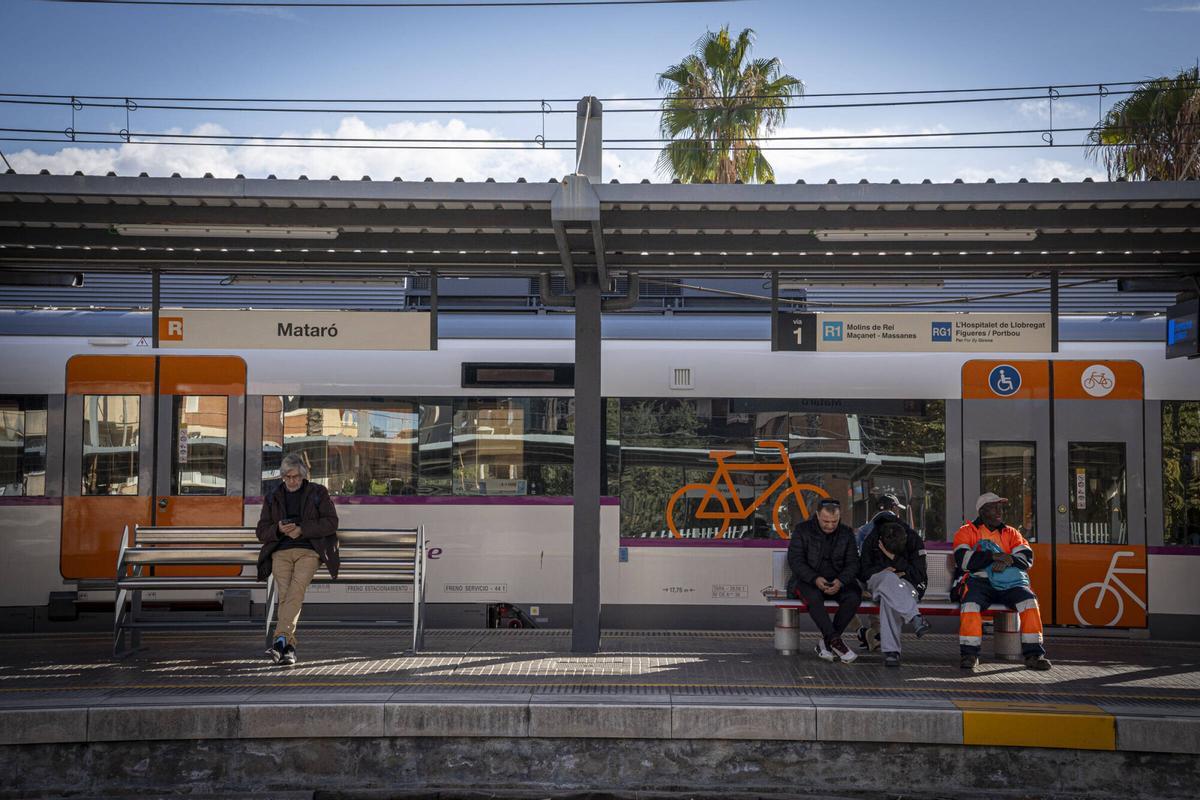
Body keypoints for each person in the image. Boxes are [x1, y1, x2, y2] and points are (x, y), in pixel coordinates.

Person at [255, 453, 339, 666]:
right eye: (287, 477)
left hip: (309, 551)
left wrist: (302, 529)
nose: (292, 481)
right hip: (281, 551)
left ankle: (279, 640)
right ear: (282, 477)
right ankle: (288, 648)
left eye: (296, 477)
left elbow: (331, 522)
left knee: (295, 590)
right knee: (286, 595)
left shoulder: (318, 492)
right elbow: (262, 531)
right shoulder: (273, 496)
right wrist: (279, 529)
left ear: (303, 476)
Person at [953, 492, 1052, 672]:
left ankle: (1034, 655)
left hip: (1011, 584)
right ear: (982, 511)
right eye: (993, 507)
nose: (999, 511)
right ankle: (969, 655)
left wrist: (1006, 559)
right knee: (970, 606)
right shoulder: (966, 531)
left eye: (1000, 507)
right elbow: (964, 561)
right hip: (980, 582)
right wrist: (993, 556)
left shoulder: (1011, 532)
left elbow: (1027, 559)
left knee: (1030, 602)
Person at [787, 498, 862, 663]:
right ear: (817, 516)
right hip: (807, 581)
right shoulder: (802, 530)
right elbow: (795, 561)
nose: (830, 525)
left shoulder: (846, 533)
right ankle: (835, 642)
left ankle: (826, 642)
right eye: (826, 521)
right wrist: (815, 578)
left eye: (834, 521)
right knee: (813, 597)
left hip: (838, 582)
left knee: (854, 596)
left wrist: (840, 581)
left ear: (839, 517)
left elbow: (853, 563)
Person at [859, 520, 931, 667]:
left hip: (907, 586)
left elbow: (919, 575)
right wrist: (883, 571)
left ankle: (892, 653)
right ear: (881, 542)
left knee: (888, 599)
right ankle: (914, 617)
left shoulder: (914, 540)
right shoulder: (871, 540)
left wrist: (893, 558)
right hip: (878, 581)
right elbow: (863, 572)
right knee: (888, 578)